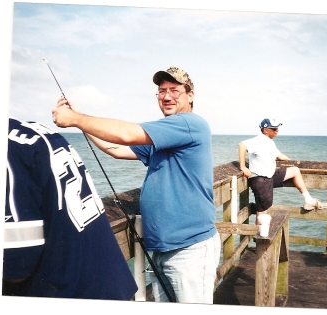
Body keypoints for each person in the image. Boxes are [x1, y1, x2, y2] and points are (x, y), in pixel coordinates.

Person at [51, 66, 221, 304]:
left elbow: (127, 134)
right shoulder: (164, 137)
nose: (167, 96)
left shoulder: (189, 123)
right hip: (163, 248)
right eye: (161, 91)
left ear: (190, 95)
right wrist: (82, 123)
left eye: (175, 90)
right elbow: (117, 149)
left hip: (189, 249)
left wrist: (75, 118)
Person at [3, 117, 138, 300]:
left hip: (73, 296)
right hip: (112, 284)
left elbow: (16, 267)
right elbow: (117, 150)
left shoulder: (9, 149)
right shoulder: (39, 131)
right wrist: (78, 123)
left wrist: (76, 118)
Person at [239, 118, 327, 224]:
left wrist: (293, 161)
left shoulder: (269, 142)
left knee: (295, 170)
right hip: (260, 179)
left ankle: (309, 200)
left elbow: (279, 156)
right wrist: (243, 167)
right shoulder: (260, 140)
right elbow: (242, 145)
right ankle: (259, 237)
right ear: (266, 130)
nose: (277, 130)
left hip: (269, 176)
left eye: (277, 128)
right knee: (262, 211)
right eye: (274, 128)